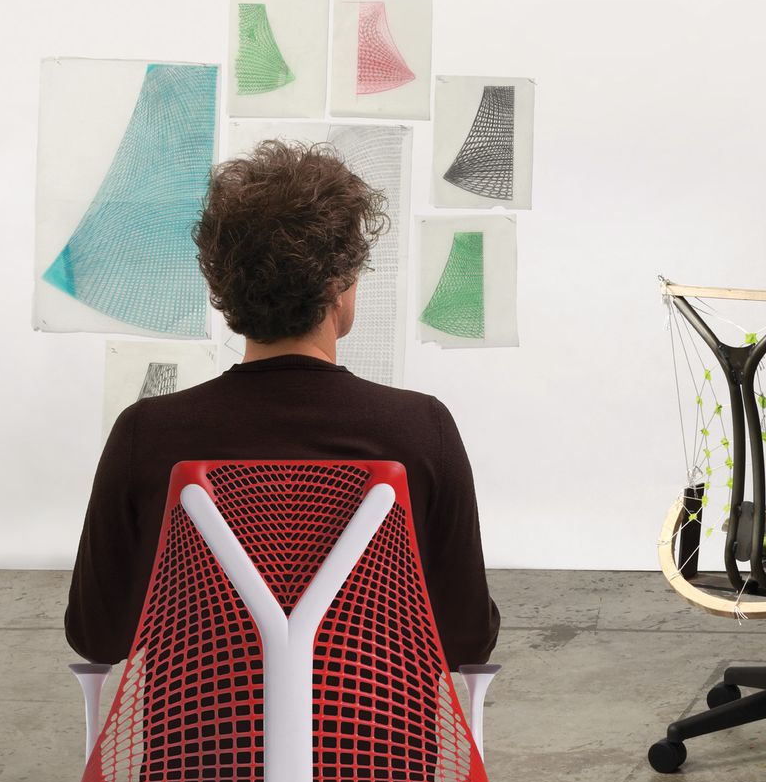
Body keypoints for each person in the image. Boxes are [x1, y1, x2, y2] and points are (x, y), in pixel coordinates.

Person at [65, 140, 500, 672]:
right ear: (340, 286)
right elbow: (467, 641)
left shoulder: (148, 433)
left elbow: (98, 636)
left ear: (223, 288)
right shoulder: (419, 429)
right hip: (378, 751)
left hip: (199, 750)